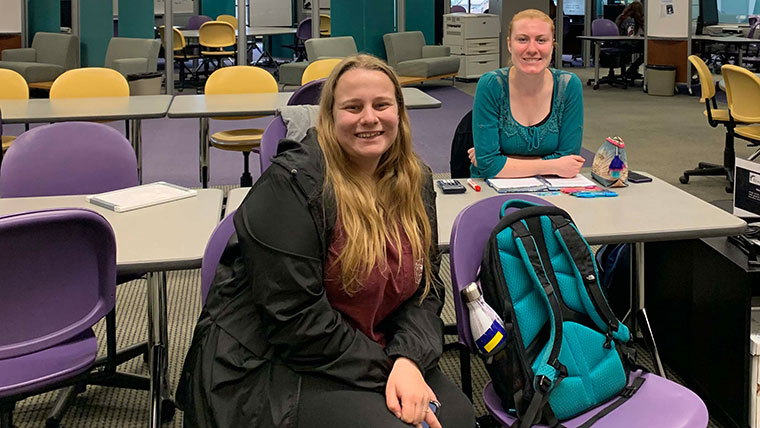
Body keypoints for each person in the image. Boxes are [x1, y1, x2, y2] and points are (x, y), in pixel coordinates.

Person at [175, 54, 476, 428]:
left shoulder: (415, 181)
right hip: (272, 360)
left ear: (399, 112)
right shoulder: (293, 186)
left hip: (370, 343)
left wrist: (409, 359)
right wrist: (390, 369)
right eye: (353, 107)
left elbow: (426, 290)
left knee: (458, 418)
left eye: (382, 105)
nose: (370, 118)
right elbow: (295, 322)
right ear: (330, 116)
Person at [468, 8, 585, 179]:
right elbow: (489, 166)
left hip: (554, 191)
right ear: (509, 44)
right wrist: (553, 165)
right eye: (522, 39)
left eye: (541, 40)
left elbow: (569, 160)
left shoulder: (568, 86)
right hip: (490, 192)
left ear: (552, 44)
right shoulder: (491, 85)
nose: (532, 49)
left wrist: (505, 162)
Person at [615, 1, 645, 78]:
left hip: (620, 42)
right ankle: (631, 70)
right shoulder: (629, 19)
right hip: (624, 44)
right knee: (648, 50)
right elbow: (631, 35)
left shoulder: (622, 16)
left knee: (645, 48)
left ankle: (632, 70)